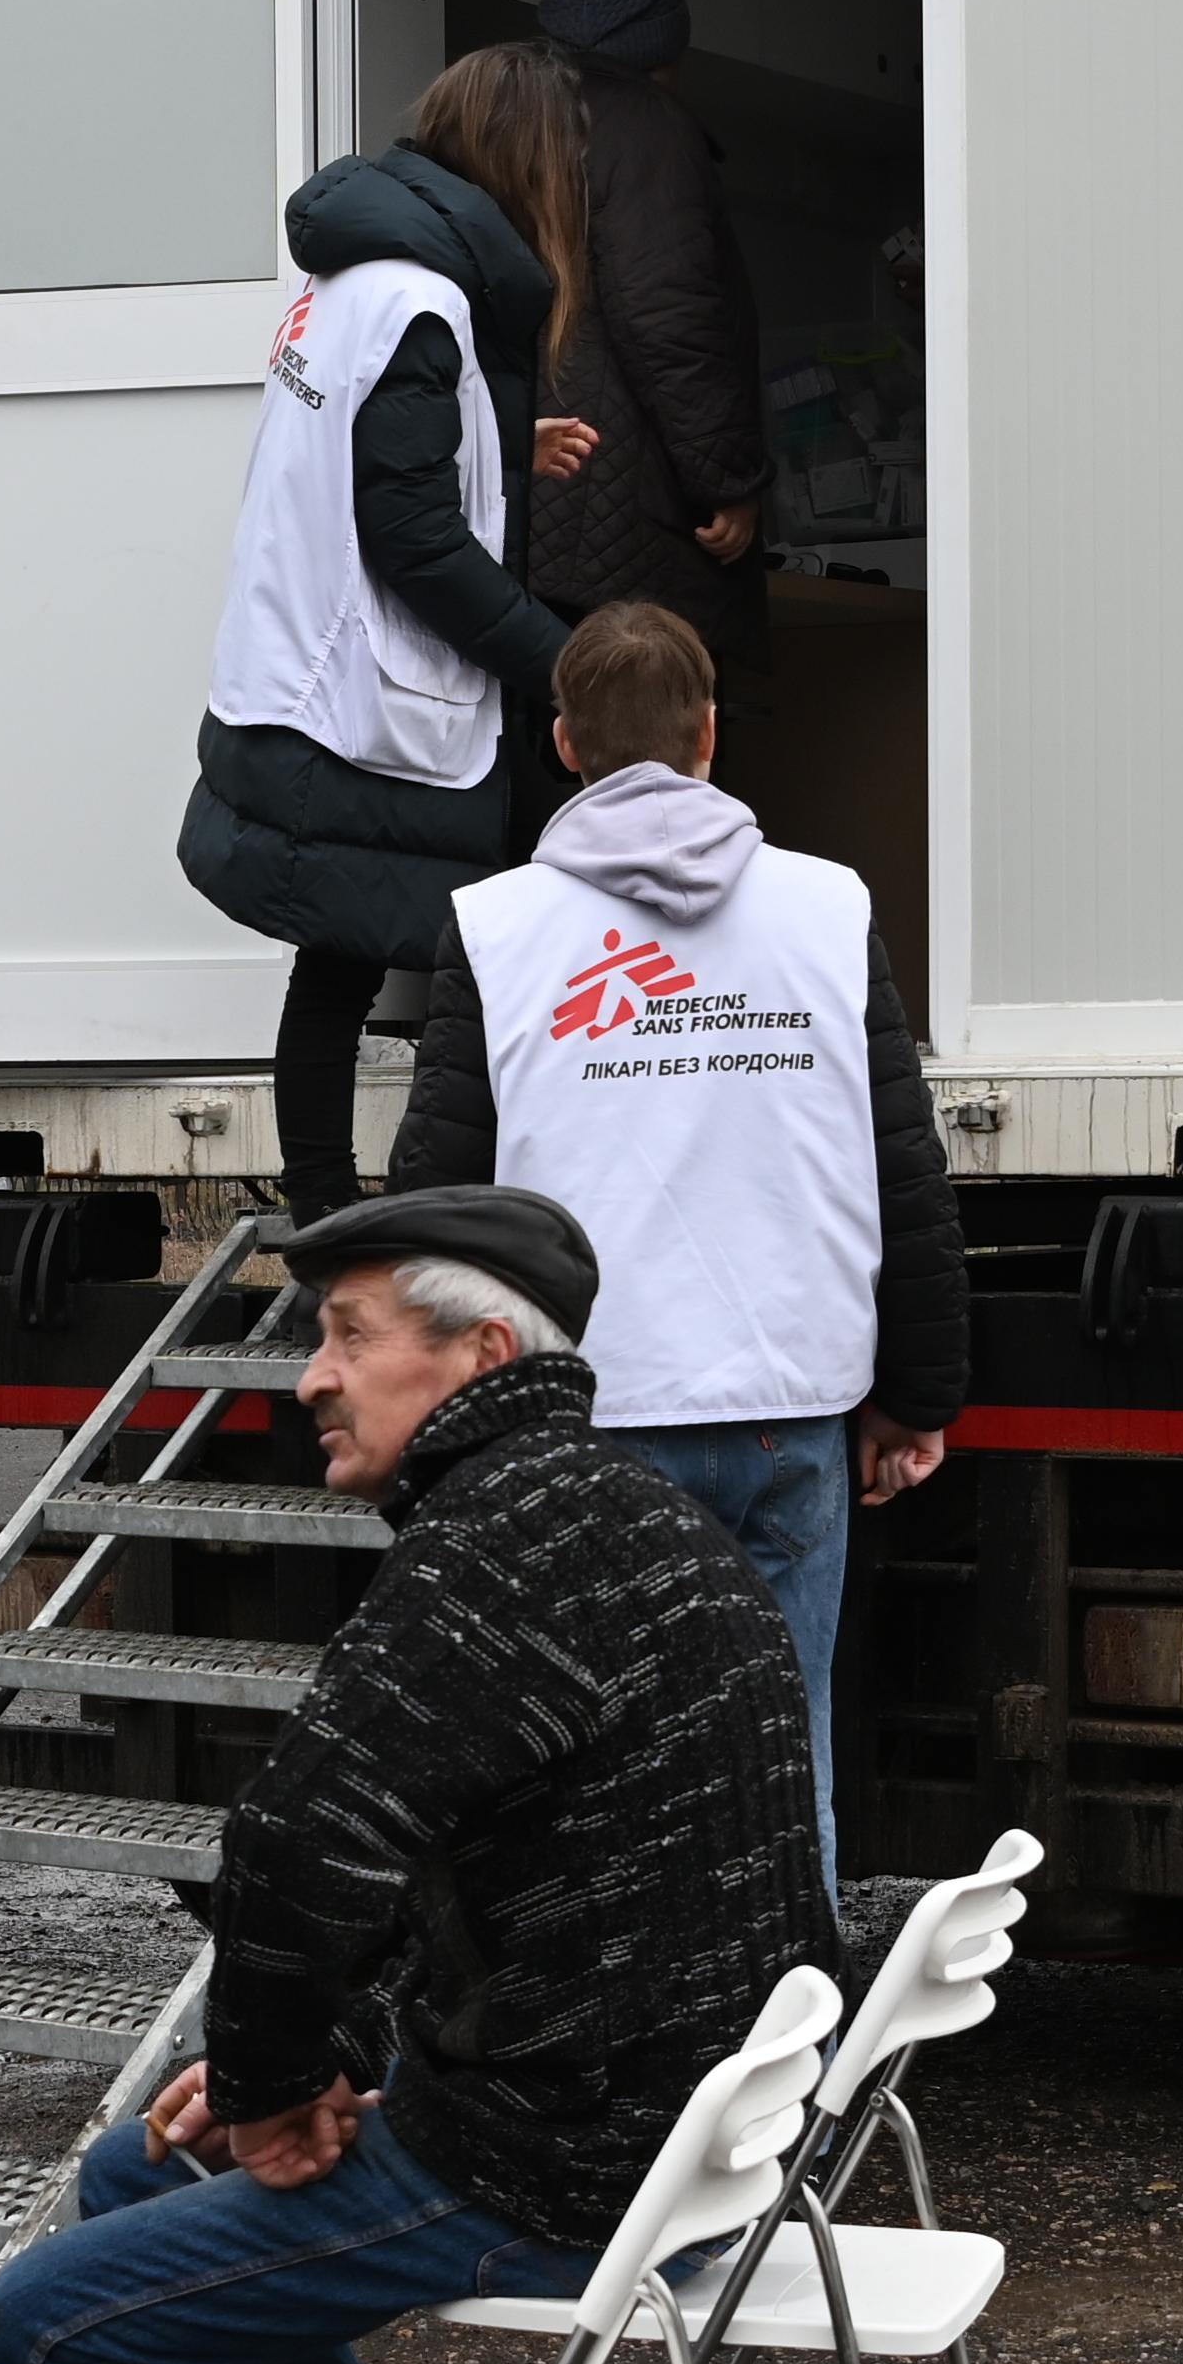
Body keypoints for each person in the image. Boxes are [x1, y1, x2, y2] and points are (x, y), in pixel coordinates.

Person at [0, 1185, 844, 2364]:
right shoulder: (602, 1511)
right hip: (646, 2119)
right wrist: (329, 2056)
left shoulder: (505, 1544)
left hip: (562, 2159)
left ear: (480, 1351)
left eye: (350, 1334)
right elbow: (490, 1867)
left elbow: (303, 1844)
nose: (310, 1374)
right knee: (124, 2180)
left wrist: (271, 2086)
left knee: (46, 2328)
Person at [385, 600, 967, 1878]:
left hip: (581, 1424)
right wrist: (916, 1393)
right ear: (711, 736)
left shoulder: (495, 928)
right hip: (788, 1413)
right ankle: (785, 2068)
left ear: (560, 743)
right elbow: (900, 1166)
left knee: (580, 1778)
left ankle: (613, 2068)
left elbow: (434, 1197)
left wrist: (434, 1435)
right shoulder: (826, 909)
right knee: (779, 1766)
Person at [178, 40, 605, 1219]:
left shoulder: (358, 279)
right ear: (524, 162)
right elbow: (411, 538)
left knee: (343, 960)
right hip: (369, 696)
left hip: (304, 675)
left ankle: (334, 1214)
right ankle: (409, 1209)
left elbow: (362, 450)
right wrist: (561, 662)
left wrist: (500, 446)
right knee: (435, 955)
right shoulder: (427, 301)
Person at [519, 0, 771, 686]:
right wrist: (727, 479)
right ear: (663, 47)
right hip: (628, 511)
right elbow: (671, 321)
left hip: (534, 497)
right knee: (642, 750)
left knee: (550, 742)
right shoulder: (649, 129)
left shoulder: (515, 123)